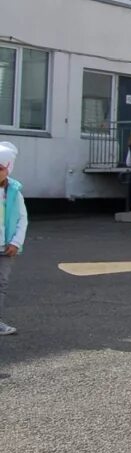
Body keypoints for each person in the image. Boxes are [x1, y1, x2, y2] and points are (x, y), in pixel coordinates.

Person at [0, 142, 28, 336]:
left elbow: (22, 219)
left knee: (1, 283)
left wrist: (16, 242)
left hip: (5, 247)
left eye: (0, 168)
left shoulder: (14, 193)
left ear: (8, 168)